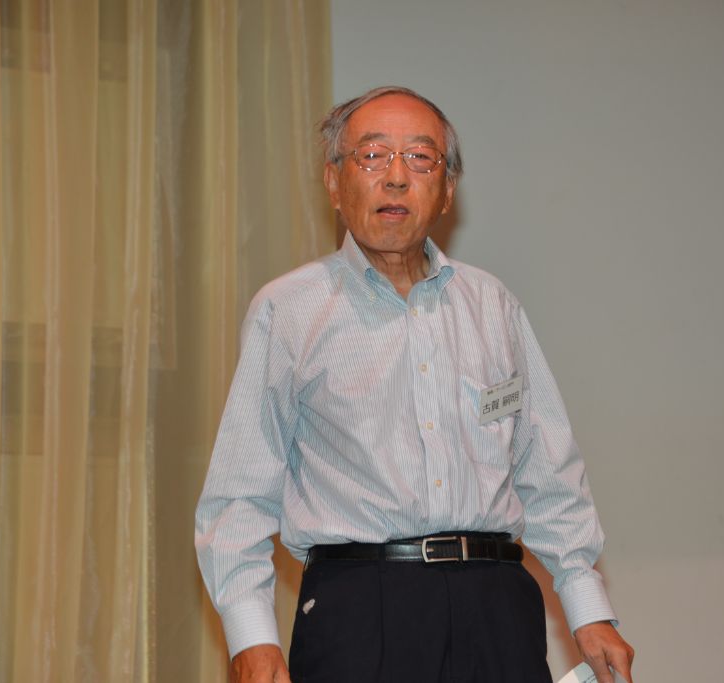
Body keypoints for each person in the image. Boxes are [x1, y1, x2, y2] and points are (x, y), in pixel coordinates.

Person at [195, 86, 634, 683]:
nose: (397, 177)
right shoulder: (290, 310)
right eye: (373, 156)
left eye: (421, 159)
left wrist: (588, 606)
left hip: (498, 605)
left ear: (447, 190)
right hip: (359, 608)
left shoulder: (493, 306)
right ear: (334, 181)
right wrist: (251, 636)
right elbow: (239, 494)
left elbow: (548, 468)